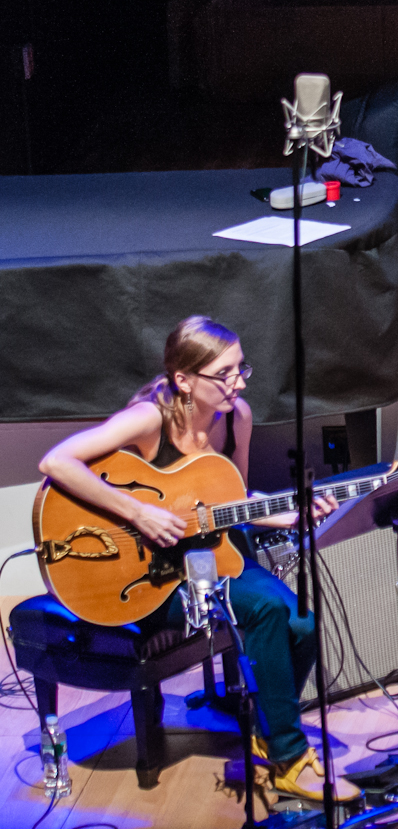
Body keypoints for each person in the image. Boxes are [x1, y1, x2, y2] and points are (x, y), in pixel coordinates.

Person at [37, 316, 358, 803]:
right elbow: (56, 461)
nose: (239, 382)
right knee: (269, 608)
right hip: (156, 575)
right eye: (224, 374)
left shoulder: (237, 418)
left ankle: (266, 736)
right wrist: (138, 511)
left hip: (216, 554)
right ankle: (290, 759)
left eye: (241, 369)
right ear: (183, 380)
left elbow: (233, 501)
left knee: (305, 624)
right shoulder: (150, 419)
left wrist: (288, 516)